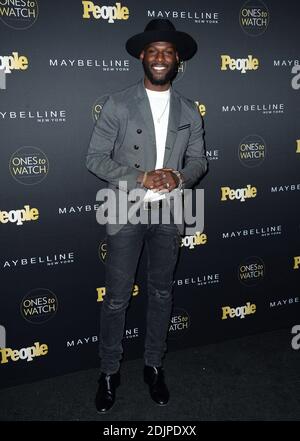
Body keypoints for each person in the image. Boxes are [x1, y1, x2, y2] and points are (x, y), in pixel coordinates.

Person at [86, 19, 208, 413]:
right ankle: (109, 371)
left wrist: (177, 176)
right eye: (153, 51)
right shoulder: (118, 103)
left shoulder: (190, 110)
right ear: (142, 55)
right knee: (117, 299)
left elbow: (199, 161)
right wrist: (140, 176)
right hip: (125, 207)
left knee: (160, 293)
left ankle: (154, 366)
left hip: (171, 209)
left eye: (167, 52)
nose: (160, 58)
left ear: (177, 60)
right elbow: (94, 158)